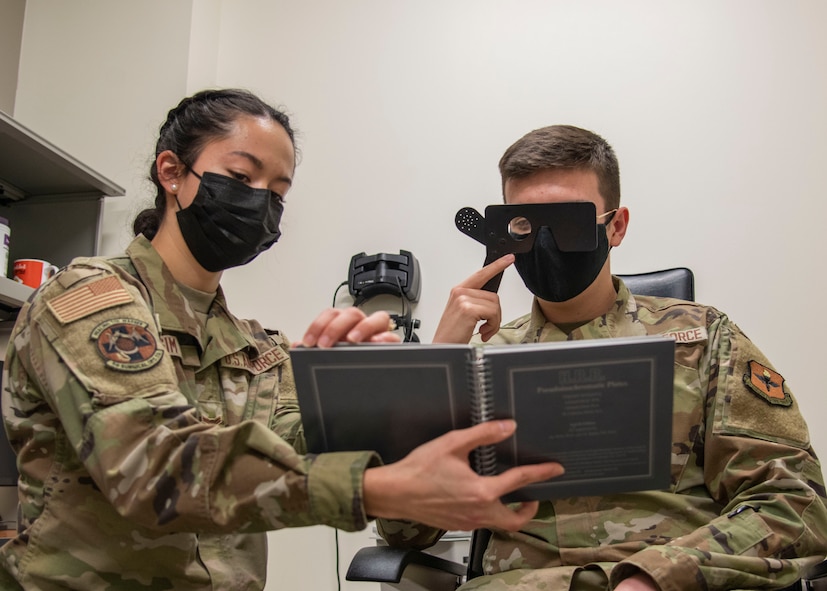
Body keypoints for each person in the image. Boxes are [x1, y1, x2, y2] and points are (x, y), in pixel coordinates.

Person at [0, 89, 564, 590]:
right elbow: (153, 469)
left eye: (278, 191)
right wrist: (369, 489)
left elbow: (304, 445)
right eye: (242, 179)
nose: (260, 202)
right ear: (172, 172)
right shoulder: (89, 300)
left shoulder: (255, 348)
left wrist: (365, 395)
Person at [380, 125, 827, 590]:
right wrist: (435, 367)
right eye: (525, 225)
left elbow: (795, 504)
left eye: (569, 222)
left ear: (615, 226)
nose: (547, 242)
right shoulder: (479, 361)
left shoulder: (705, 340)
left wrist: (657, 576)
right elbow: (402, 531)